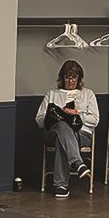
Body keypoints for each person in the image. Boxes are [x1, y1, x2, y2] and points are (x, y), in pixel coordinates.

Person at [35, 60, 99, 198]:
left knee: (62, 139)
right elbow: (39, 120)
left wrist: (78, 114)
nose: (70, 80)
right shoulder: (52, 94)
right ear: (62, 78)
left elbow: (95, 120)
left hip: (82, 134)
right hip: (54, 131)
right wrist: (55, 116)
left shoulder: (88, 94)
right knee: (62, 127)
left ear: (79, 78)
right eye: (67, 77)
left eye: (74, 77)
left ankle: (61, 185)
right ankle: (77, 162)